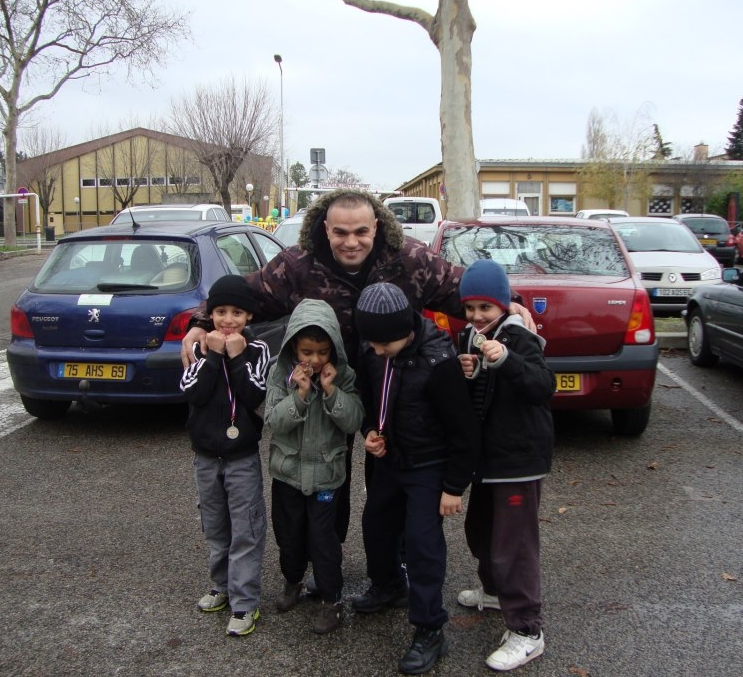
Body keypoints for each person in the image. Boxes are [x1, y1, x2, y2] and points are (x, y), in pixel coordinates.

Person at [180, 189, 533, 545]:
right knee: (328, 469)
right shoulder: (298, 265)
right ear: (326, 229)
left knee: (391, 472)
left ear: (376, 227)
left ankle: (397, 556)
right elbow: (245, 294)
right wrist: (202, 321)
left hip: (394, 384)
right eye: (341, 233)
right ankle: (326, 553)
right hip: (326, 383)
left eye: (361, 231)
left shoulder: (410, 258)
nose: (351, 242)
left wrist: (511, 303)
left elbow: (460, 288)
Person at [351, 282, 481, 675]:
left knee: (423, 545)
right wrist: (369, 431)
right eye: (371, 343)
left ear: (405, 332)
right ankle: (389, 584)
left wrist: (454, 486)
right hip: (390, 459)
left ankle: (429, 628)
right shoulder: (373, 350)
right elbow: (368, 398)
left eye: (383, 344)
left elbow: (464, 429)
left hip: (429, 465)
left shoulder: (439, 362)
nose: (376, 351)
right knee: (376, 525)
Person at [453, 259, 555, 671]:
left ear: (502, 304)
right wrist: (469, 372)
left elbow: (542, 386)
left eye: (485, 308)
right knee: (481, 532)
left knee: (514, 547)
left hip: (518, 458)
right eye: (470, 307)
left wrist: (507, 360)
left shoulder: (519, 337)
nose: (477, 316)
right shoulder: (470, 335)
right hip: (486, 459)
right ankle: (495, 592)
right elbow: (480, 396)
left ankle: (528, 630)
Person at [263, 299, 363, 634]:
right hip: (288, 473)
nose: (316, 360)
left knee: (324, 540)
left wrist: (331, 390)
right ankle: (293, 581)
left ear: (334, 348)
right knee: (289, 534)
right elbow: (273, 422)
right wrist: (300, 395)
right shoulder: (280, 373)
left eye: (323, 352)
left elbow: (353, 422)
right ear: (294, 346)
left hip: (326, 476)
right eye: (307, 352)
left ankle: (331, 599)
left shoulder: (344, 375)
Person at [179, 275, 271, 637]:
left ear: (248, 316)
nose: (228, 320)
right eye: (220, 312)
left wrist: (235, 356)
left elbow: (254, 395)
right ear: (211, 315)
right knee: (215, 526)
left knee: (246, 528)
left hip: (241, 457)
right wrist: (215, 354)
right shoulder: (200, 347)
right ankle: (221, 586)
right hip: (206, 457)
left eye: (236, 313)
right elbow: (194, 393)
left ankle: (245, 601)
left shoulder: (257, 350)